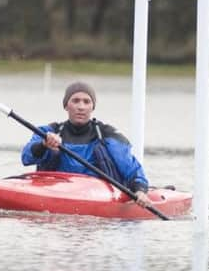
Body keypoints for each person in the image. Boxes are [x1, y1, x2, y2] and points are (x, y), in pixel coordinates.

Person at [21, 81, 152, 207]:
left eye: (86, 101)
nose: (81, 107)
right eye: (75, 101)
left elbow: (132, 170)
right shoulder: (49, 132)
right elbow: (26, 158)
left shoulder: (108, 136)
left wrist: (140, 190)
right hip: (56, 194)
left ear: (92, 107)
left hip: (99, 198)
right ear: (66, 106)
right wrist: (44, 144)